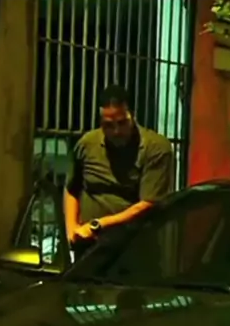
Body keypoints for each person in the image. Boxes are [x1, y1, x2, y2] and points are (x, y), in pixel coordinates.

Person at [64, 84, 174, 257]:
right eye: (108, 125)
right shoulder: (87, 144)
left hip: (132, 249)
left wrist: (98, 225)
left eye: (122, 123)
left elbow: (148, 205)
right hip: (89, 248)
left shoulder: (155, 149)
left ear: (133, 116)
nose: (116, 131)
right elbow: (72, 188)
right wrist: (72, 230)